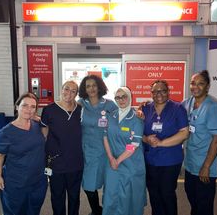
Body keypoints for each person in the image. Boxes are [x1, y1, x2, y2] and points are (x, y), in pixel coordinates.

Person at [182, 70, 217, 215]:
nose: (195, 87)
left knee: (204, 204)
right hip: (191, 162)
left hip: (206, 164)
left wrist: (206, 166)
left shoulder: (213, 107)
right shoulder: (187, 103)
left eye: (200, 84)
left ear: (207, 87)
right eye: (193, 83)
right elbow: (170, 109)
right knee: (193, 199)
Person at [0, 92, 47, 215]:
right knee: (16, 211)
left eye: (33, 107)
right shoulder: (6, 132)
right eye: (25, 105)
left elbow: (46, 133)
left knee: (34, 210)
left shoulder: (36, 126)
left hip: (38, 181)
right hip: (16, 183)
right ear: (17, 107)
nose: (29, 109)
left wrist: (39, 119)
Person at [141, 80, 189, 215]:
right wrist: (147, 139)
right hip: (150, 160)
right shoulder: (145, 108)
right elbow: (138, 132)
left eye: (162, 90)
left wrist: (161, 143)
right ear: (151, 94)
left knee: (167, 193)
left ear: (168, 92)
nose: (159, 94)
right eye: (155, 91)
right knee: (154, 193)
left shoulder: (177, 108)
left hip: (170, 160)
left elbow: (184, 133)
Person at [41, 80, 83, 215]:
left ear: (77, 94)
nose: (68, 93)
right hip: (56, 162)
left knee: (74, 197)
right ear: (61, 89)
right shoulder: (49, 110)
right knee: (57, 196)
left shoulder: (81, 110)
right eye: (66, 89)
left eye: (73, 91)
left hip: (76, 162)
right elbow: (44, 135)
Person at [102, 87, 146, 215]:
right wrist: (111, 159)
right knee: (111, 195)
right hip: (112, 164)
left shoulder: (137, 118)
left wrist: (118, 160)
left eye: (124, 96)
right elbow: (105, 137)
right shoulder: (111, 116)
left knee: (128, 197)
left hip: (131, 164)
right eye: (118, 97)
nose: (121, 100)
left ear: (129, 97)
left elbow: (134, 144)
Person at [78, 74, 117, 215]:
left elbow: (121, 120)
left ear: (99, 86)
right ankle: (97, 210)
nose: (91, 88)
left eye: (94, 85)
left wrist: (138, 113)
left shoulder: (109, 104)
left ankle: (108, 210)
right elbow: (65, 118)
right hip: (87, 150)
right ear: (84, 89)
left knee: (110, 183)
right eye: (88, 86)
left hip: (107, 150)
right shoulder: (80, 104)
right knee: (89, 185)